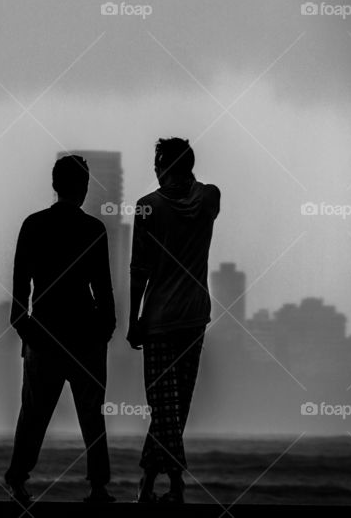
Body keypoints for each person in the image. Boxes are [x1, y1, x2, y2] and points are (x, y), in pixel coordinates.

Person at [4, 155, 116, 504]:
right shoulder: (93, 229)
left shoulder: (33, 226)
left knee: (33, 416)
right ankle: (98, 487)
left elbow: (20, 295)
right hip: (85, 336)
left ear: (55, 186)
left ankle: (18, 481)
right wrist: (104, 331)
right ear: (84, 189)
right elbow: (104, 291)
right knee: (92, 418)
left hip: (44, 335)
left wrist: (29, 334)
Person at [127, 137, 220, 504]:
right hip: (195, 315)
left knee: (164, 405)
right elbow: (198, 195)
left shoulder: (147, 208)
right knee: (175, 406)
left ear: (160, 167)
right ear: (191, 164)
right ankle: (148, 485)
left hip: (161, 318)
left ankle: (177, 484)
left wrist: (134, 318)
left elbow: (139, 269)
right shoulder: (210, 197)